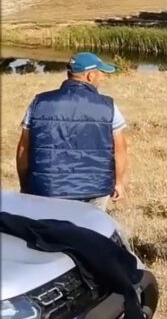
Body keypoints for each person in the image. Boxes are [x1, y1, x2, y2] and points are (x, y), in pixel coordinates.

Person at [16, 52, 128, 212]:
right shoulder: (108, 107)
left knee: (50, 233)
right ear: (90, 76)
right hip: (94, 189)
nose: (103, 77)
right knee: (89, 233)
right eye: (101, 73)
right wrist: (119, 183)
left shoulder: (39, 103)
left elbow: (23, 149)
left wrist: (25, 185)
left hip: (47, 187)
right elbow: (120, 149)